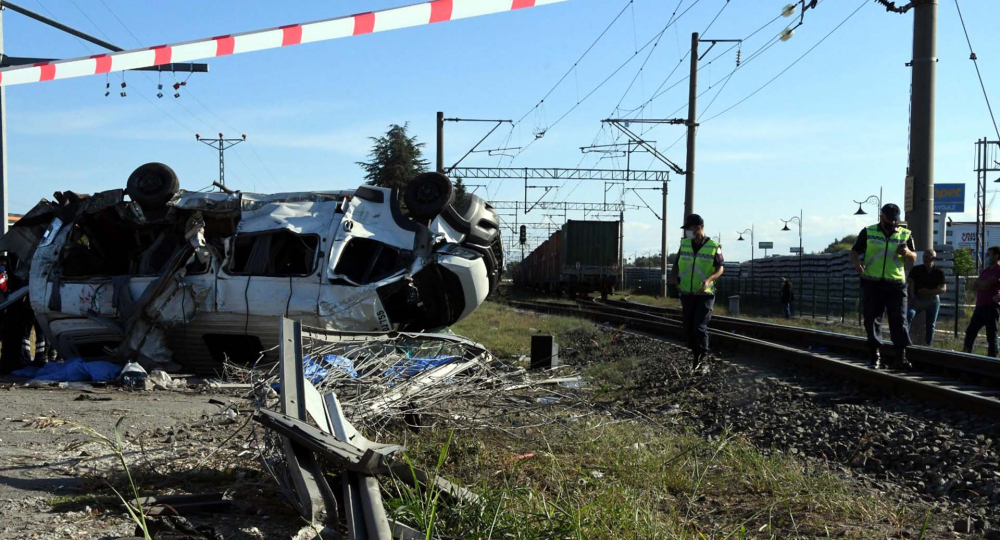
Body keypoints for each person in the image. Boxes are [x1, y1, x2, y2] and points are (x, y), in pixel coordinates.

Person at [848, 203, 917, 370]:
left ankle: (900, 356)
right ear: (882, 216)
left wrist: (907, 253)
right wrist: (857, 264)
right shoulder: (868, 232)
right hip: (872, 282)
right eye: (890, 219)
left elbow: (914, 257)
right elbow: (854, 252)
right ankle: (875, 355)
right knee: (872, 319)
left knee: (899, 320)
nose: (893, 223)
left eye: (896, 220)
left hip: (896, 284)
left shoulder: (905, 234)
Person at [675, 214, 724, 374]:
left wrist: (709, 280)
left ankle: (702, 360)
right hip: (687, 294)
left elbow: (720, 268)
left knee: (700, 327)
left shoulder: (713, 246)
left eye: (688, 229)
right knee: (689, 328)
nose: (687, 232)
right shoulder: (685, 245)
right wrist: (673, 278)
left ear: (698, 228)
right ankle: (696, 356)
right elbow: (676, 264)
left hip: (705, 295)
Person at [963, 246, 1000, 357]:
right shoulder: (986, 270)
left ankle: (992, 359)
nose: (988, 257)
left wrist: (983, 285)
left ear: (996, 256)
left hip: (991, 306)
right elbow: (975, 286)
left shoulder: (998, 270)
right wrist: (984, 286)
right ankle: (966, 355)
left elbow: (985, 284)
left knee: (991, 335)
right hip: (980, 305)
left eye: (990, 254)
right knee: (970, 331)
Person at [906, 249, 946, 346]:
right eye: (924, 256)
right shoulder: (917, 269)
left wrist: (929, 291)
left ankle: (928, 346)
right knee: (908, 315)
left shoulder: (938, 272)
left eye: (927, 257)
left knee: (930, 326)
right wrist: (910, 298)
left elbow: (943, 288)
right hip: (917, 299)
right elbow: (909, 282)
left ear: (933, 258)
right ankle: (905, 342)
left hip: (932, 300)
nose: (925, 258)